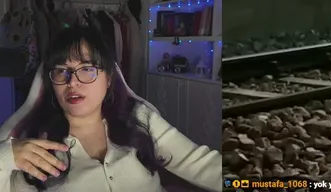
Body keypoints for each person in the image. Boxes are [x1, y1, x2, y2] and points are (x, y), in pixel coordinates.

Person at [0, 25, 220, 191]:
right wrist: (6, 157)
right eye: (61, 71)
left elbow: (203, 165)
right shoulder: (36, 143)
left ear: (109, 78)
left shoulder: (139, 118)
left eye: (87, 69)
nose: (72, 82)